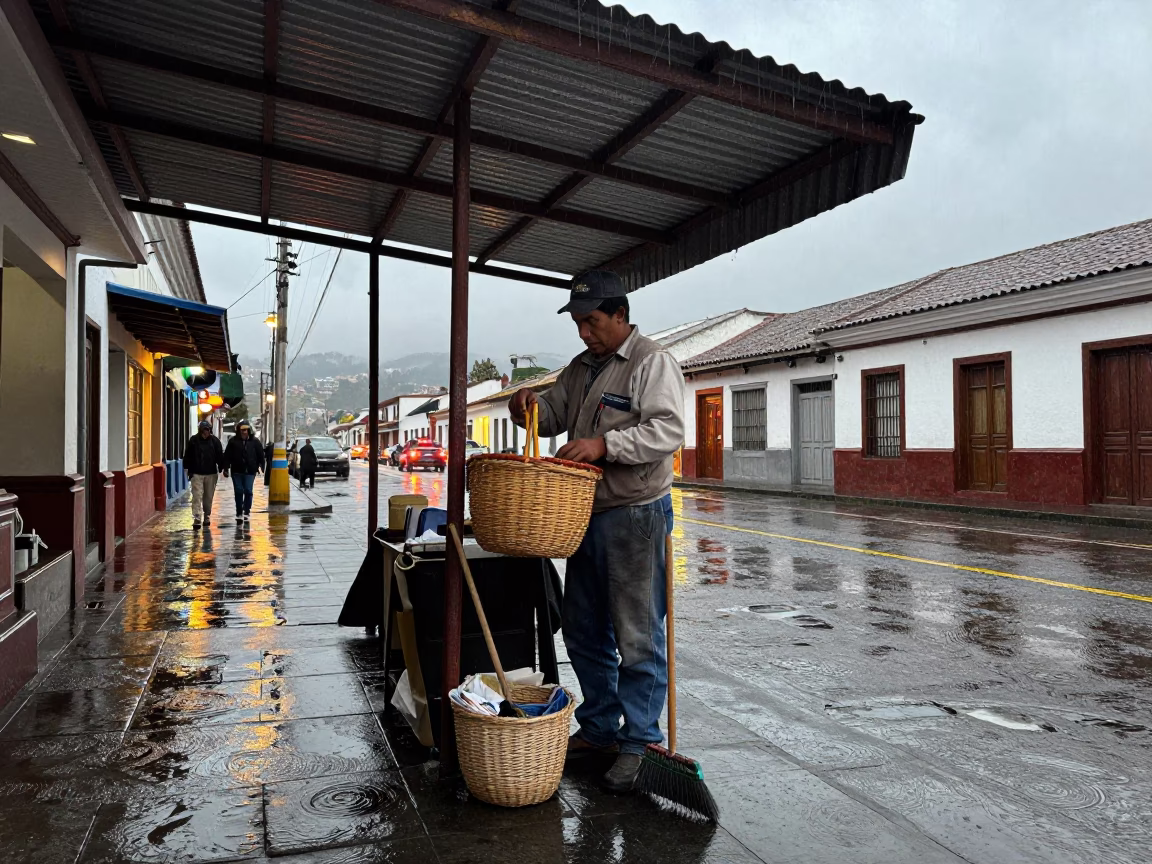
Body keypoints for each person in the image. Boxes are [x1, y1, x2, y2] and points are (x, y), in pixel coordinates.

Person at [508, 269, 685, 793]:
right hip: (582, 513)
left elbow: (669, 429)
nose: (586, 333)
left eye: (594, 322)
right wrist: (527, 409)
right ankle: (601, 727)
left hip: (635, 514)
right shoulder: (581, 368)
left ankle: (640, 742)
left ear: (621, 316)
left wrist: (605, 446)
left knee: (636, 634)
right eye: (579, 324)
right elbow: (554, 413)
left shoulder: (651, 362)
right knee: (583, 628)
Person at [182, 419, 224, 529]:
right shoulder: (194, 440)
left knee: (208, 497)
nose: (206, 432)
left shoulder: (215, 441)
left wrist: (222, 467)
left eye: (208, 430)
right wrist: (187, 468)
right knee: (197, 496)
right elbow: (188, 455)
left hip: (211, 474)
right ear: (201, 430)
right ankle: (197, 517)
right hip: (196, 473)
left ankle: (207, 516)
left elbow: (220, 455)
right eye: (205, 430)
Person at [223, 420, 265, 523]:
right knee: (238, 490)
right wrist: (225, 468)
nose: (244, 432)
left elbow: (260, 455)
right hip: (236, 471)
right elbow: (227, 456)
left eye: (246, 430)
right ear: (239, 430)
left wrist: (261, 466)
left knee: (248, 490)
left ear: (249, 430)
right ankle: (239, 512)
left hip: (250, 471)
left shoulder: (255, 442)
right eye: (242, 430)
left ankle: (246, 511)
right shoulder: (233, 441)